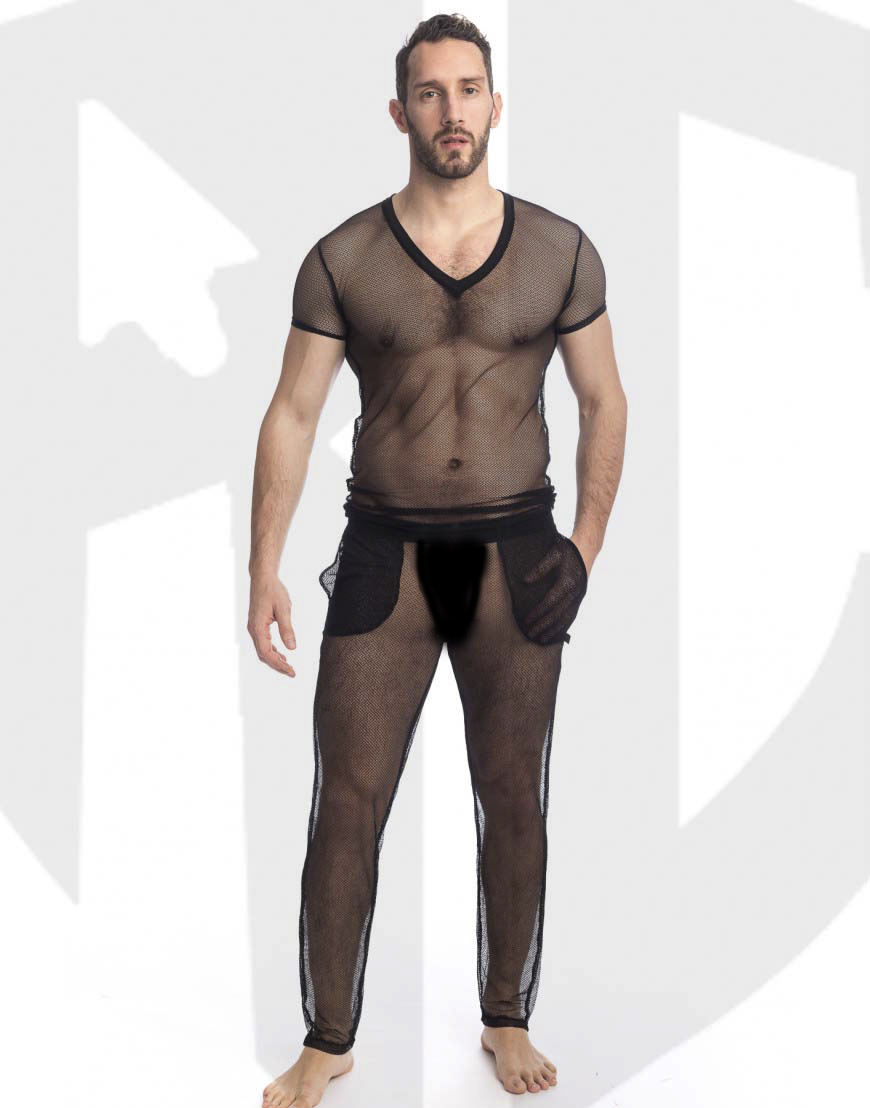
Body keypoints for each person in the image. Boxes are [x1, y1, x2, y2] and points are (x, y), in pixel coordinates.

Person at [248, 13, 626, 1107]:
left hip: (519, 554)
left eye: (468, 90)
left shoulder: (560, 249)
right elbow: (291, 411)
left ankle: (507, 1018)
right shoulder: (345, 259)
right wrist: (263, 565)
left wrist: (584, 549)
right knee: (347, 800)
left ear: (495, 106)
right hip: (387, 555)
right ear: (399, 111)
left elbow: (605, 402)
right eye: (429, 92)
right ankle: (328, 1039)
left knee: (514, 794)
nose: (451, 111)